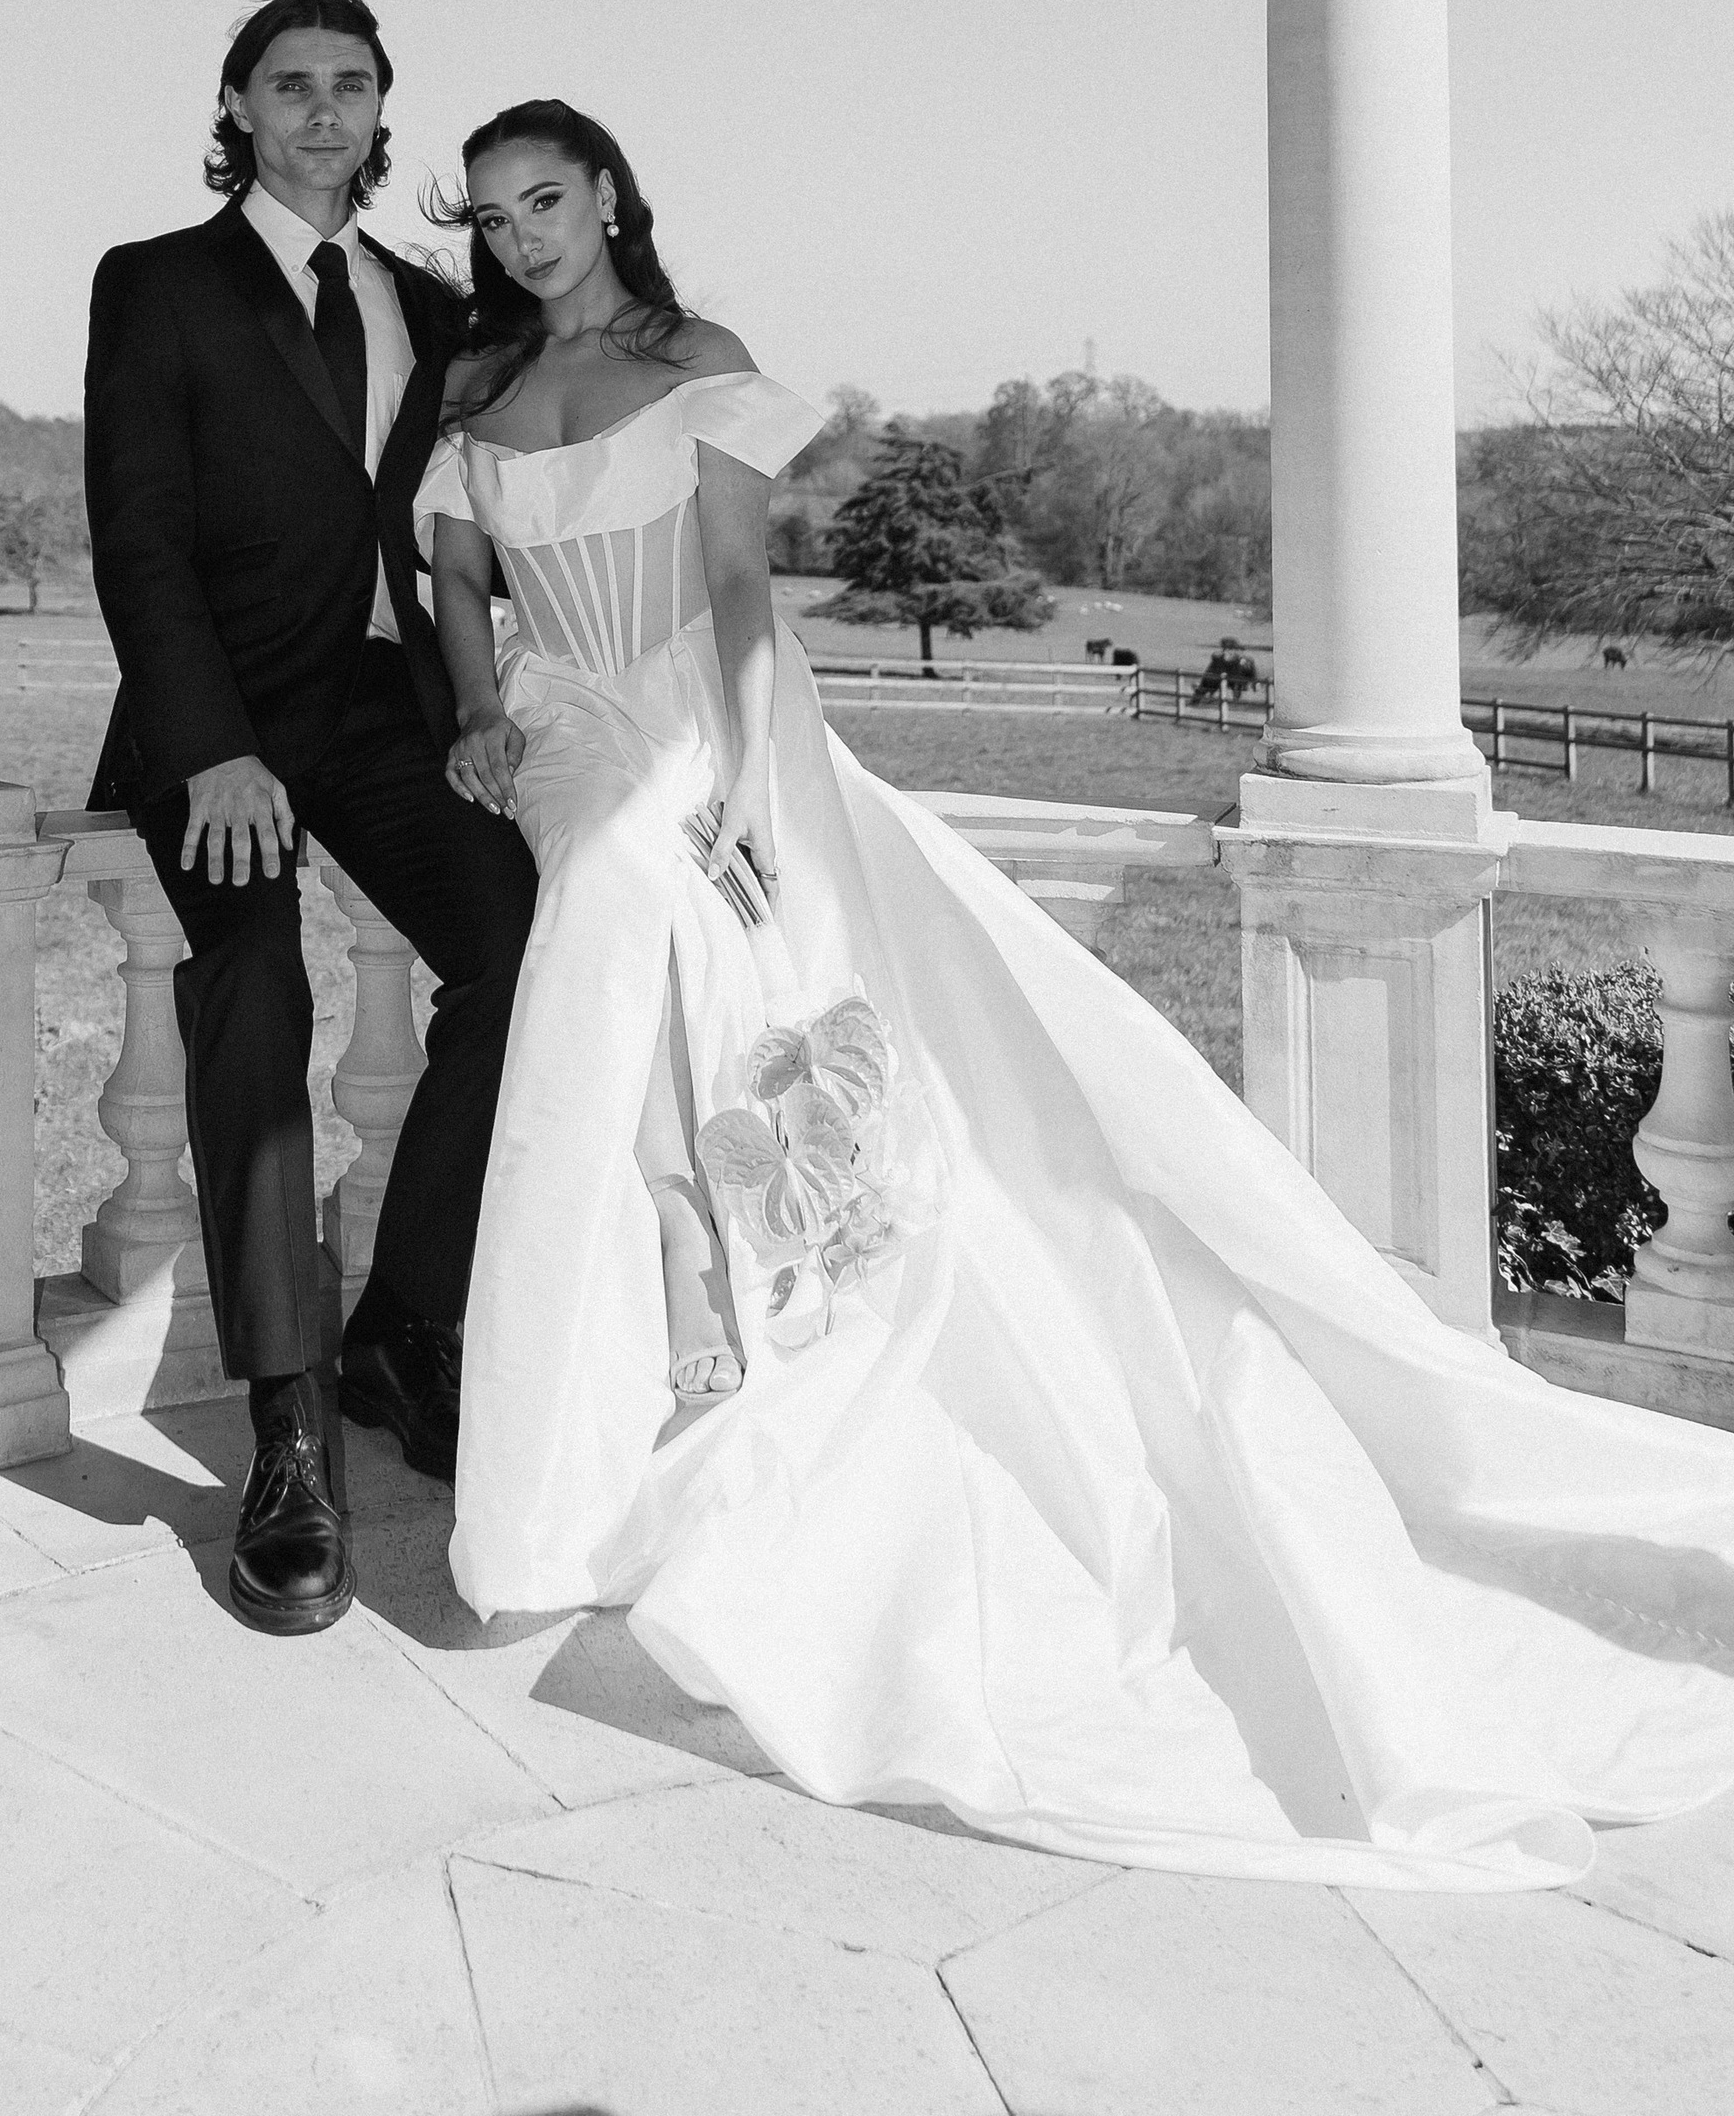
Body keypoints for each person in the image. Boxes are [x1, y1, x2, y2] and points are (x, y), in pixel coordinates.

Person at [416, 97, 1734, 1887]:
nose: (518, 236)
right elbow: (456, 586)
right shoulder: (474, 389)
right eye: (489, 215)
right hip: (571, 714)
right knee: (607, 893)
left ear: (613, 197)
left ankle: (690, 1239)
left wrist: (741, 778)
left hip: (711, 715)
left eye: (545, 201)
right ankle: (646, 1252)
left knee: (677, 889)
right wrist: (485, 711)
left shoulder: (700, 361)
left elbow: (734, 586)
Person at [84, 0, 536, 1638]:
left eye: (352, 87)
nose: (325, 112)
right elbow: (134, 533)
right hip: (220, 724)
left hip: (377, 714)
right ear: (240, 106)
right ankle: (286, 1441)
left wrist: (492, 708)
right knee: (257, 994)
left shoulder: (431, 300)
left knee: (520, 942)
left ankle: (403, 1326)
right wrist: (208, 746)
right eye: (293, 86)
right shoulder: (156, 284)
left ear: (379, 112)